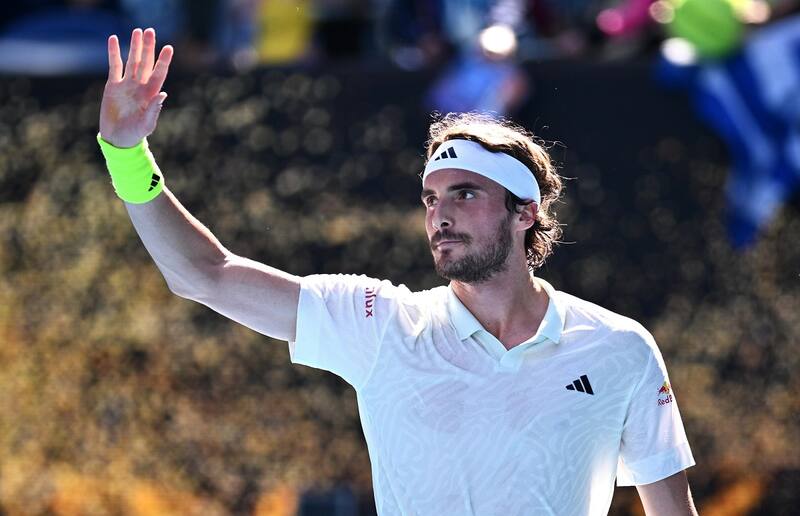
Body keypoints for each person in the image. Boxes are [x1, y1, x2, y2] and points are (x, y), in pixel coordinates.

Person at [98, 28, 699, 516]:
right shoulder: (380, 322)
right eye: (431, 199)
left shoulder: (621, 348)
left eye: (464, 194)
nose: (439, 215)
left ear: (526, 212)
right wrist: (127, 157)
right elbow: (206, 275)